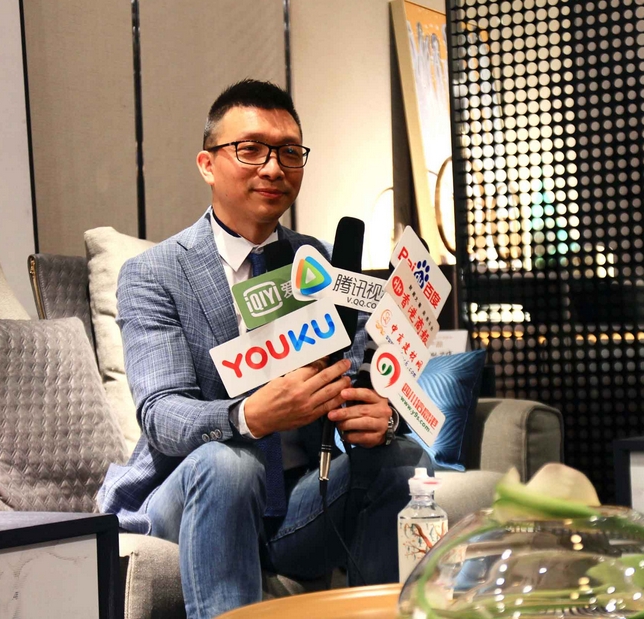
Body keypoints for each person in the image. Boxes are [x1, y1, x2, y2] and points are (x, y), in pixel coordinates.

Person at [97, 79, 428, 618]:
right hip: (193, 492)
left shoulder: (320, 263)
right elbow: (161, 415)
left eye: (289, 152)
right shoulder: (156, 273)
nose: (273, 168)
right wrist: (250, 416)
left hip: (297, 501)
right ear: (207, 164)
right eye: (250, 150)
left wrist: (381, 415)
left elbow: (369, 371)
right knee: (231, 466)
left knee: (401, 460)